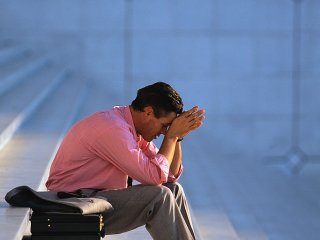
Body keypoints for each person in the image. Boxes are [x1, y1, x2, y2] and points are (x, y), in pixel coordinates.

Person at [46, 82, 205, 240]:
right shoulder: (113, 128)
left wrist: (177, 137)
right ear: (148, 113)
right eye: (164, 126)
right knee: (160, 196)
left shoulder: (131, 127)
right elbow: (156, 177)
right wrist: (171, 137)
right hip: (72, 203)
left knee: (173, 189)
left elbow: (169, 175)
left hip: (93, 198)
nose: (164, 132)